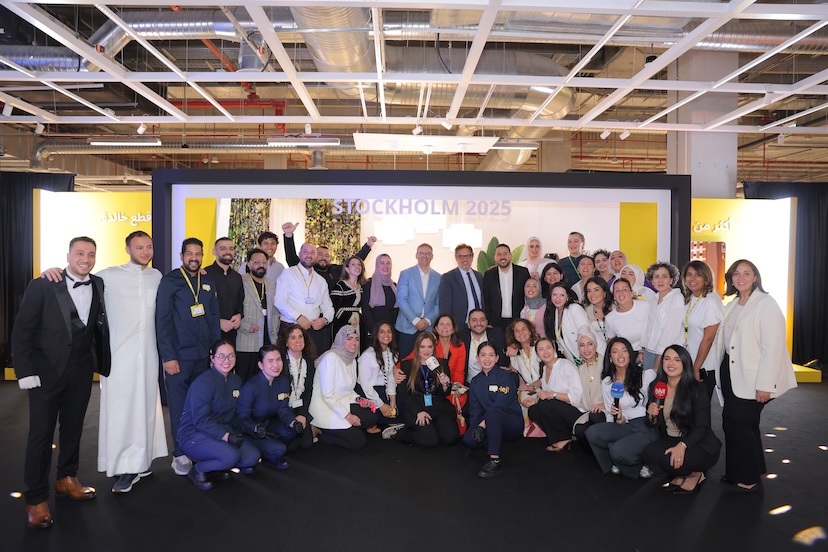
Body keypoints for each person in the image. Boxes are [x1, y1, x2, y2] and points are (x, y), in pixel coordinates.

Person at [39, 230, 168, 494]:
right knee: (120, 411)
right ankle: (124, 465)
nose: (145, 252)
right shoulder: (107, 276)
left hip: (148, 355)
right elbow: (77, 277)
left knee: (146, 408)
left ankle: (142, 461)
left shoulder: (157, 277)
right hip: (117, 356)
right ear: (128, 249)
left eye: (149, 247)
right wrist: (51, 272)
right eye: (139, 247)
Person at [13, 236, 111, 529]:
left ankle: (66, 478)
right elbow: (22, 330)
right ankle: (35, 498)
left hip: (81, 371)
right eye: (80, 253)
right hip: (46, 374)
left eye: (91, 254)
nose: (86, 259)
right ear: (68, 256)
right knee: (41, 436)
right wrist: (25, 372)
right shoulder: (43, 284)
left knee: (73, 428)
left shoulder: (98, 283)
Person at [719, 259, 797, 492]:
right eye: (736, 273)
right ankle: (741, 471)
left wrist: (765, 384)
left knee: (739, 423)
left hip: (754, 378)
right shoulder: (733, 304)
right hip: (731, 372)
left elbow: (773, 348)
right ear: (731, 278)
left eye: (746, 273)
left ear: (755, 277)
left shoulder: (766, 304)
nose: (740, 277)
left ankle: (748, 477)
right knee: (741, 423)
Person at [156, 237, 220, 477]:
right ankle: (180, 453)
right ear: (181, 256)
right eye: (190, 253)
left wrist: (215, 351)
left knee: (201, 405)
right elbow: (162, 321)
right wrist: (168, 356)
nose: (194, 258)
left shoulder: (208, 281)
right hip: (179, 358)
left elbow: (213, 317)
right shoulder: (170, 281)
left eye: (198, 254)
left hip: (203, 357)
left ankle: (198, 447)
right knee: (180, 407)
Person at [178, 340, 260, 490]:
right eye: (221, 356)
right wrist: (227, 436)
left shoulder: (236, 380)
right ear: (212, 358)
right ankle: (198, 470)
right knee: (231, 456)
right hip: (194, 433)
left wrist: (252, 427)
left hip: (223, 429)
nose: (226, 360)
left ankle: (217, 465)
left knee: (252, 457)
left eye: (231, 356)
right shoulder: (203, 383)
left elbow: (236, 415)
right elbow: (200, 420)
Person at [642, 345, 722, 494]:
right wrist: (652, 415)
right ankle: (681, 473)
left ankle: (695, 474)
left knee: (670, 461)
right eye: (667, 359)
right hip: (671, 438)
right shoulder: (657, 386)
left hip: (698, 442)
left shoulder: (697, 389)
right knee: (648, 454)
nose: (671, 363)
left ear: (685, 363)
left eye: (677, 360)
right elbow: (651, 424)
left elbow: (702, 426)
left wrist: (683, 445)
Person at [586, 337, 658, 479]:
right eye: (615, 351)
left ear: (630, 354)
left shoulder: (645, 376)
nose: (620, 355)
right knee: (592, 433)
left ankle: (641, 463)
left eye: (624, 351)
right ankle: (614, 461)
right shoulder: (607, 382)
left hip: (643, 424)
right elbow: (610, 412)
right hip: (623, 424)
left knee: (618, 449)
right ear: (610, 357)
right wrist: (619, 418)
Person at [383, 332, 459, 447]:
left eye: (429, 347)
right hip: (417, 407)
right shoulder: (407, 366)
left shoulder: (442, 364)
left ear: (434, 348)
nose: (426, 350)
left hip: (438, 407)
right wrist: (418, 411)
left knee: (450, 437)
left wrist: (445, 385)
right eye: (422, 347)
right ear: (417, 348)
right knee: (430, 440)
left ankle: (432, 429)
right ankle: (401, 433)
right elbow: (404, 395)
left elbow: (446, 392)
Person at [308, 326, 379, 449]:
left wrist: (359, 399)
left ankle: (343, 429)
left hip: (342, 403)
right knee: (358, 441)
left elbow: (349, 390)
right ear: (340, 340)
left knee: (372, 417)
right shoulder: (330, 358)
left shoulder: (351, 359)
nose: (354, 343)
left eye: (356, 339)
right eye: (349, 339)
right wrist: (348, 416)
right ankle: (319, 429)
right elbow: (327, 395)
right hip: (325, 407)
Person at [237, 345, 304, 470]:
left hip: (268, 424)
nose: (276, 365)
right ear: (260, 365)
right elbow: (241, 417)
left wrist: (293, 422)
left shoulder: (283, 382)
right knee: (280, 449)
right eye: (270, 361)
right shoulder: (250, 386)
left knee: (292, 430)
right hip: (250, 430)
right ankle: (260, 451)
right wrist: (254, 428)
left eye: (278, 359)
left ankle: (269, 454)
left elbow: (283, 410)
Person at [465, 342, 524, 477]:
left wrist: (482, 425)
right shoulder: (475, 381)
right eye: (483, 355)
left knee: (493, 413)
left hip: (511, 421)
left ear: (497, 358)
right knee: (468, 439)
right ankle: (495, 440)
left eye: (491, 355)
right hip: (489, 422)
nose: (487, 359)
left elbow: (500, 404)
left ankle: (495, 460)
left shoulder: (505, 376)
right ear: (477, 358)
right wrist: (475, 428)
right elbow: (475, 410)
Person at [275, 241, 335, 354]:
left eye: (312, 252)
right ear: (299, 254)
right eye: (305, 252)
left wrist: (325, 319)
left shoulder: (321, 280)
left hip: (313, 332)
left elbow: (328, 307)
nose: (309, 255)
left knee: (312, 362)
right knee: (289, 363)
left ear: (316, 256)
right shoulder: (288, 274)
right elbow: (279, 301)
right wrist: (298, 317)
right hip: (290, 328)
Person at [523, 338, 582, 452]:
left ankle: (563, 439)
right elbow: (546, 394)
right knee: (533, 410)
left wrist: (553, 394)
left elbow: (576, 397)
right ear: (537, 354)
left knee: (546, 404)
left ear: (554, 349)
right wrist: (535, 401)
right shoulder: (545, 369)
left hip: (575, 410)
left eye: (548, 347)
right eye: (541, 349)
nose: (545, 352)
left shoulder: (565, 365)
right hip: (558, 410)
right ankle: (565, 435)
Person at [282, 221, 375, 290]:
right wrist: (288, 235)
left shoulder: (335, 270)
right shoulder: (307, 268)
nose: (323, 258)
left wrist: (368, 246)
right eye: (320, 254)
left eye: (327, 255)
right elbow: (291, 258)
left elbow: (353, 262)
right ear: (314, 256)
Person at [236, 248, 280, 382]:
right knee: (246, 382)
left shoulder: (272, 285)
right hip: (247, 341)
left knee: (266, 382)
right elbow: (233, 310)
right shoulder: (240, 283)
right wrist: (245, 326)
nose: (261, 265)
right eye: (256, 262)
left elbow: (276, 311)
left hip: (268, 341)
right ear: (249, 265)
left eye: (264, 262)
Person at [680, 261, 723, 398]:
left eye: (697, 275)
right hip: (690, 358)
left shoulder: (710, 301)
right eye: (689, 274)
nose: (692, 278)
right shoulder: (690, 298)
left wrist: (696, 367)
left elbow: (708, 338)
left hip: (704, 363)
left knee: (699, 406)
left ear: (706, 278)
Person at [395, 243, 442, 358]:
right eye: (421, 253)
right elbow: (401, 300)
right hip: (407, 328)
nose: (424, 256)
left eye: (428, 253)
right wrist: (416, 321)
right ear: (416, 255)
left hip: (428, 328)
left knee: (427, 363)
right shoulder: (406, 274)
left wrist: (427, 321)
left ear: (432, 256)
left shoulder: (439, 277)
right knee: (405, 362)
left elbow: (439, 303)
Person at [276, 324, 318, 451]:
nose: (298, 341)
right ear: (286, 342)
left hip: (299, 409)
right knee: (290, 446)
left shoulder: (308, 362)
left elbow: (308, 391)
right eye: (293, 337)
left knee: (306, 444)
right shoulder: (279, 362)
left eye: (300, 337)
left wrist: (302, 415)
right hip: (282, 410)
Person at [638, 262, 684, 372]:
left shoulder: (676, 298)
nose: (660, 280)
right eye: (656, 277)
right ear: (652, 280)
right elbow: (647, 326)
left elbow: (671, 330)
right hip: (649, 350)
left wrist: (660, 356)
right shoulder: (654, 299)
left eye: (664, 276)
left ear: (671, 280)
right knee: (647, 380)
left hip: (666, 353)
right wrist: (642, 349)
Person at [358, 322, 401, 427]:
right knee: (384, 417)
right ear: (376, 334)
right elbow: (365, 385)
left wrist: (393, 401)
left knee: (399, 412)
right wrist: (381, 405)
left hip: (383, 389)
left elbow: (390, 379)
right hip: (368, 392)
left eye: (389, 331)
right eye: (382, 332)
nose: (386, 335)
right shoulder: (367, 356)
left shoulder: (393, 353)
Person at [571, 327, 607, 453]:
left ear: (595, 345)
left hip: (608, 409)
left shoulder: (607, 364)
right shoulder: (580, 369)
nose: (586, 349)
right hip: (589, 411)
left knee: (595, 416)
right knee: (580, 430)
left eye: (589, 344)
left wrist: (603, 405)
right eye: (582, 345)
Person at [204, 237, 244, 344]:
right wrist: (217, 322)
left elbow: (240, 302)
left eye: (231, 248)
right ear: (214, 251)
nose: (228, 252)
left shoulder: (237, 277)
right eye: (223, 249)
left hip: (232, 335)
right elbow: (200, 306)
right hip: (209, 334)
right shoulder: (204, 275)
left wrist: (239, 315)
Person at [482, 243, 531, 330]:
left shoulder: (523, 272)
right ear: (495, 257)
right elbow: (486, 300)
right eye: (499, 254)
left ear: (510, 256)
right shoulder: (489, 275)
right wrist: (488, 321)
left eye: (505, 254)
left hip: (518, 320)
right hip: (495, 323)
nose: (502, 257)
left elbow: (529, 295)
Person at [433, 313, 469, 430]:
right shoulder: (430, 344)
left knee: (461, 397)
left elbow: (459, 371)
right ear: (436, 328)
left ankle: (457, 424)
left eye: (448, 324)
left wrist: (456, 387)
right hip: (433, 386)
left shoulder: (460, 346)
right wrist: (396, 368)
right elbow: (411, 358)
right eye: (441, 324)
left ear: (453, 329)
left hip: (450, 384)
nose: (445, 327)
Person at [543, 282, 589, 365]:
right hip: (574, 359)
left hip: (589, 355)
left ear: (567, 297)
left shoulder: (575, 308)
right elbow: (560, 342)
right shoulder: (555, 312)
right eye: (554, 295)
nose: (557, 298)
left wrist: (586, 357)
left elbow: (585, 333)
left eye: (562, 295)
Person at [438, 243, 484, 325]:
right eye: (461, 256)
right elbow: (445, 306)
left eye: (468, 256)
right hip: (459, 325)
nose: (465, 259)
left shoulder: (479, 276)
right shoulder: (448, 278)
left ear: (472, 257)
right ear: (456, 258)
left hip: (479, 325)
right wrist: (448, 325)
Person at [605, 277, 650, 355]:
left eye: (624, 289)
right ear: (614, 295)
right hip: (627, 355)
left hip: (650, 350)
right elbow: (610, 342)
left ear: (631, 293)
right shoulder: (610, 318)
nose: (621, 293)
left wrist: (642, 352)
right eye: (617, 290)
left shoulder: (646, 306)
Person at [461, 309, 509, 382]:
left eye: (482, 320)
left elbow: (513, 342)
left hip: (496, 382)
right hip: (470, 384)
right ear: (468, 324)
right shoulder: (461, 338)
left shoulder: (498, 334)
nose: (479, 323)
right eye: (474, 320)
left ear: (487, 322)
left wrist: (514, 346)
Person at [362, 254, 398, 343]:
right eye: (382, 263)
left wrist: (389, 331)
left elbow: (397, 310)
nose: (385, 266)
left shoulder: (395, 286)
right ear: (377, 265)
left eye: (388, 263)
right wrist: (376, 331)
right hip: (373, 331)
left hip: (390, 332)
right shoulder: (368, 284)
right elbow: (365, 309)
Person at [330, 256, 366, 338]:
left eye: (359, 264)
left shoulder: (362, 286)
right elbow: (333, 307)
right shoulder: (340, 286)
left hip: (358, 322)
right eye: (353, 264)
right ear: (347, 269)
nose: (357, 267)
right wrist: (349, 318)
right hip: (342, 322)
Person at [582, 276, 612, 356]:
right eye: (589, 291)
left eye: (596, 290)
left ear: (604, 292)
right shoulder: (585, 311)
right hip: (595, 352)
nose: (592, 294)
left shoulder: (616, 308)